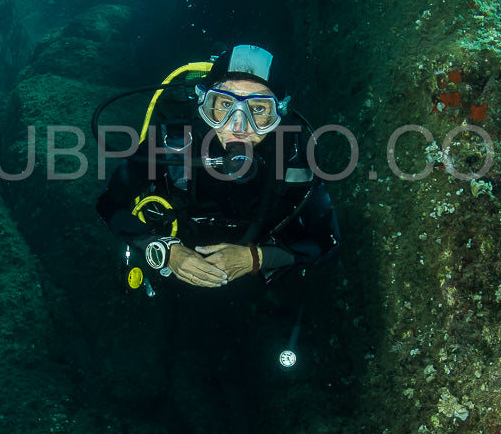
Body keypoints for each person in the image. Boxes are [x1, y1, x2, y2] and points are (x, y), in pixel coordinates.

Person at [96, 44, 340, 290]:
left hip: (253, 287)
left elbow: (326, 240)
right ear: (203, 102)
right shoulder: (171, 143)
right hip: (172, 278)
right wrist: (162, 249)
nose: (238, 126)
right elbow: (109, 204)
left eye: (258, 109)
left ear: (279, 112)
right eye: (224, 105)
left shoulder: (295, 157)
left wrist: (257, 258)